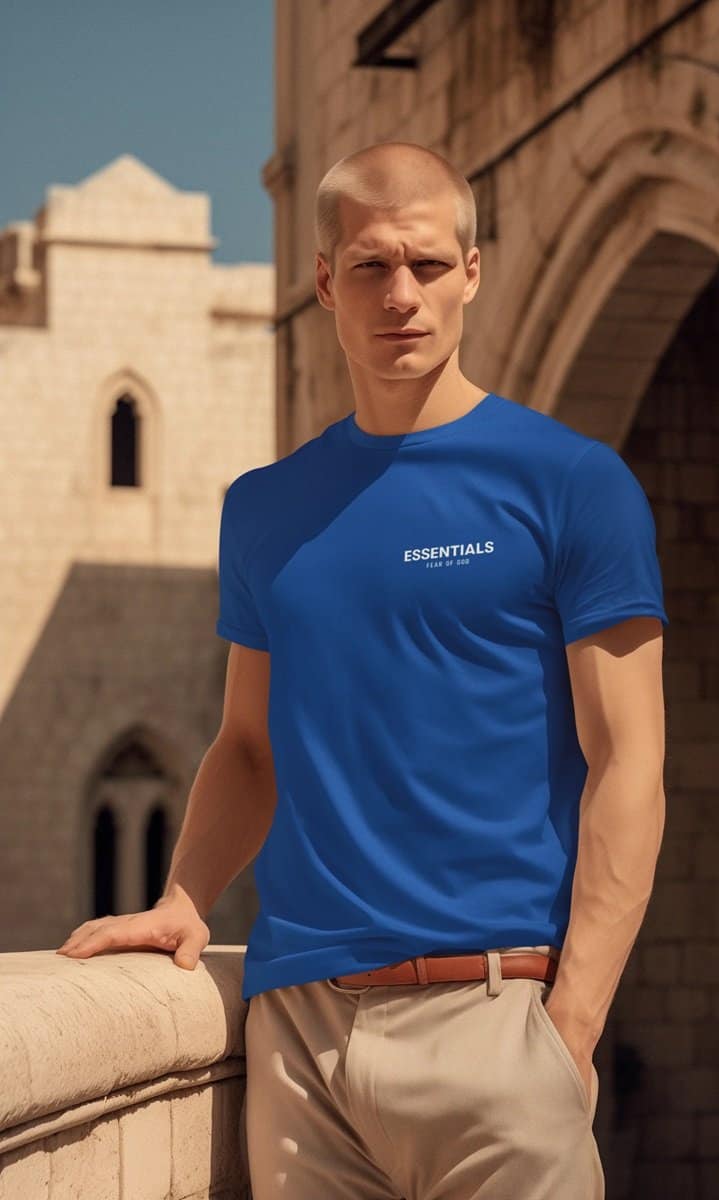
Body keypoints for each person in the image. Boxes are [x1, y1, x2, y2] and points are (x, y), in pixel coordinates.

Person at [56, 141, 669, 1199]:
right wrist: (184, 895)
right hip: (299, 1046)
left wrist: (569, 1025)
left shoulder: (572, 484)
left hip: (494, 1022)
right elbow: (248, 744)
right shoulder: (262, 508)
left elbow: (627, 762)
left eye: (428, 266)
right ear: (324, 280)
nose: (403, 296)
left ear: (470, 272)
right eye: (373, 267)